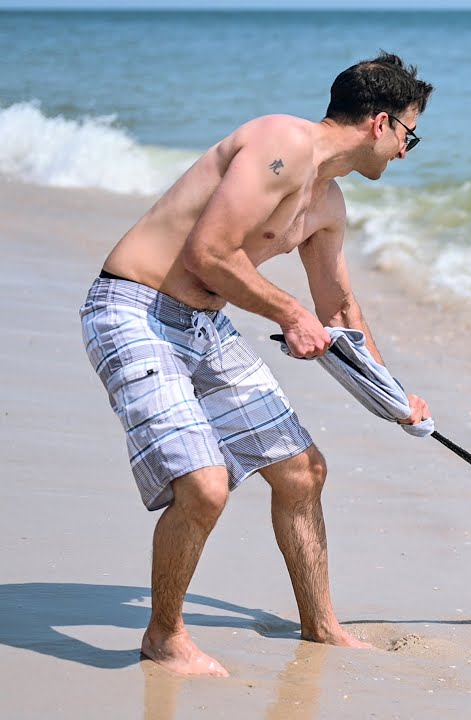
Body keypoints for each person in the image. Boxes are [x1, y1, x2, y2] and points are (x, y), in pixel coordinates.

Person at [79, 52, 433, 676]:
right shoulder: (281, 142)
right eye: (410, 133)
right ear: (380, 123)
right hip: (132, 310)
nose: (407, 151)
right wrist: (289, 314)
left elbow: (339, 308)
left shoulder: (328, 206)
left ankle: (322, 627)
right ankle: (164, 635)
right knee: (205, 485)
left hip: (205, 326)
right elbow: (208, 251)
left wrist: (394, 396)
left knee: (302, 473)